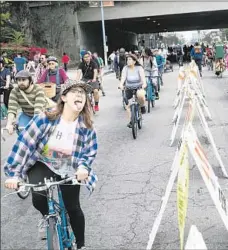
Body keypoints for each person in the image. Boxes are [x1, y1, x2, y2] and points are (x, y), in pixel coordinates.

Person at [4, 80, 98, 250]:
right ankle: (47, 216)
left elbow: (89, 150)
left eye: (82, 93)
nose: (80, 95)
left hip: (70, 166)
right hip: (43, 163)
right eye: (74, 92)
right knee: (39, 198)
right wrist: (14, 174)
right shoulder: (45, 119)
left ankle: (82, 245)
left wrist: (84, 167)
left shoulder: (85, 124)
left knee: (73, 207)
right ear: (63, 97)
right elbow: (24, 145)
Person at [5, 70, 46, 135]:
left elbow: (38, 109)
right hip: (27, 113)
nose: (21, 82)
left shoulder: (38, 89)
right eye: (19, 80)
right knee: (22, 131)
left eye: (24, 80)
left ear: (30, 81)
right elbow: (12, 109)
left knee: (40, 133)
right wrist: (9, 124)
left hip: (41, 114)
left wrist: (33, 125)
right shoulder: (15, 91)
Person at [119, 54, 147, 128]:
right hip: (129, 88)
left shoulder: (139, 68)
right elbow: (123, 78)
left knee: (141, 95)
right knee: (127, 105)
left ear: (134, 61)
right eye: (127, 59)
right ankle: (131, 120)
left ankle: (142, 106)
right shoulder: (125, 68)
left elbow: (143, 78)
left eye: (130, 59)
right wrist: (121, 85)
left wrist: (144, 84)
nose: (128, 61)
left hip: (138, 87)